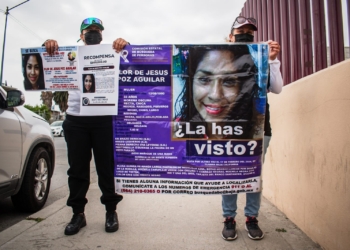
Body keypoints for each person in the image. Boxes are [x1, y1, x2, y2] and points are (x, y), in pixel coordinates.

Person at [44, 17, 129, 236]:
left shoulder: (112, 52)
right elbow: (47, 59)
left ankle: (111, 211)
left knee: (106, 169)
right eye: (89, 30)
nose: (93, 33)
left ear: (102, 33)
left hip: (103, 119)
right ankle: (78, 214)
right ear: (81, 35)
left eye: (97, 30)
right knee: (77, 171)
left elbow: (132, 61)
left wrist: (125, 45)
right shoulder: (68, 55)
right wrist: (49, 45)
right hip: (76, 120)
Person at [221, 16, 283, 241]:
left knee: (254, 174)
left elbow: (276, 89)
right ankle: (229, 218)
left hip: (259, 128)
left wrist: (273, 60)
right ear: (230, 36)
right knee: (230, 174)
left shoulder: (261, 58)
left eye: (249, 31)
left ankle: (251, 218)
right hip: (229, 129)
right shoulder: (221, 60)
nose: (245, 33)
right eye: (240, 30)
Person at [173, 44, 261, 139]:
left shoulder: (255, 131)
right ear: (191, 83)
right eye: (205, 79)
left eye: (229, 81)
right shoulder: (174, 131)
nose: (215, 95)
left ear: (242, 87)